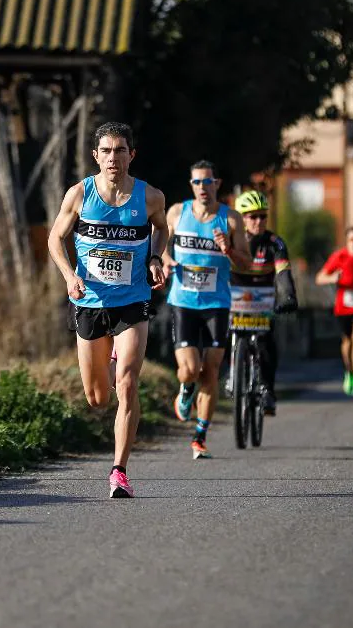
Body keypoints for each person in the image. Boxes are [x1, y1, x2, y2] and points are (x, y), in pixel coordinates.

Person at [47, 122, 168, 498]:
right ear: (95, 155)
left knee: (128, 384)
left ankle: (120, 471)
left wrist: (153, 257)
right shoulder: (80, 195)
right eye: (106, 151)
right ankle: (111, 359)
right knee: (98, 398)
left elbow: (161, 229)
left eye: (120, 150)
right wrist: (69, 275)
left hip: (132, 300)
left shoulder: (150, 197)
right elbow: (55, 238)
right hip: (90, 301)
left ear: (132, 154)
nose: (113, 157)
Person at [162, 159, 246, 459]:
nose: (202, 187)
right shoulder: (176, 212)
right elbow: (159, 240)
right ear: (191, 186)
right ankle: (185, 391)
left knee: (210, 371)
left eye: (207, 181)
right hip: (184, 302)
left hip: (218, 304)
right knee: (189, 369)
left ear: (217, 184)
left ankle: (200, 436)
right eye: (197, 182)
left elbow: (246, 263)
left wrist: (229, 250)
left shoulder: (231, 219)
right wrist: (164, 259)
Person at [225, 189, 298, 415]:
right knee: (223, 334)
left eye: (263, 216)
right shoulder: (231, 239)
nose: (258, 221)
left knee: (266, 341)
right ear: (242, 218)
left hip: (263, 302)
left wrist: (288, 297)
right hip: (234, 299)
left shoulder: (274, 243)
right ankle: (230, 374)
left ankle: (267, 388)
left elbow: (283, 273)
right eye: (252, 216)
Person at [316, 226, 353, 396]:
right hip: (343, 306)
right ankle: (348, 372)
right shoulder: (339, 256)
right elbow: (319, 277)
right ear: (347, 241)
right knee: (347, 341)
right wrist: (332, 277)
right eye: (352, 240)